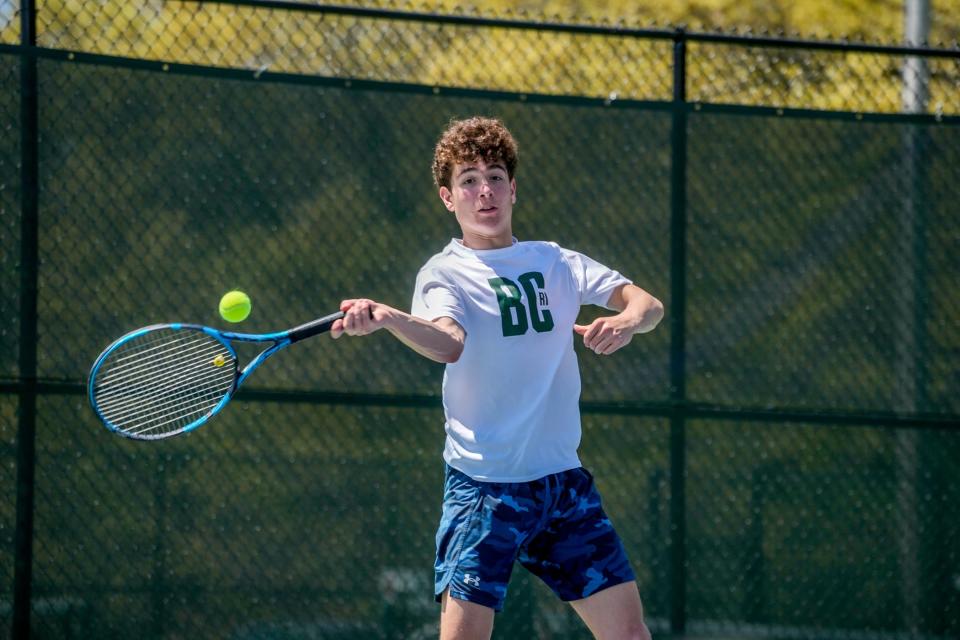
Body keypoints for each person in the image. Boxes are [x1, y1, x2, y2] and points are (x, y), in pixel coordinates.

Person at [331, 116, 663, 640]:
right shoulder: (443, 274)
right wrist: (391, 318)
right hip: (483, 492)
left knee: (629, 634)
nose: (484, 190)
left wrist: (625, 321)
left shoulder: (554, 261)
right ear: (448, 197)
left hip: (561, 488)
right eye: (468, 180)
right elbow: (448, 343)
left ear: (513, 189)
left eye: (495, 177)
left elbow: (647, 304)